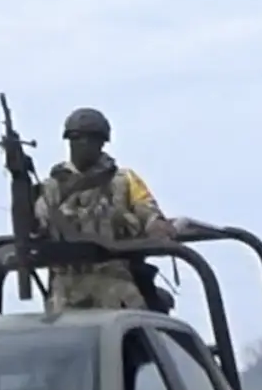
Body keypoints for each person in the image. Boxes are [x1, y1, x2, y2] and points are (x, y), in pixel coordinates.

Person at [33, 106, 177, 311]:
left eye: (91, 138)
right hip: (66, 292)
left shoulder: (124, 180)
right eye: (76, 137)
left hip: (116, 282)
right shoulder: (51, 188)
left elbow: (148, 212)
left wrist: (157, 227)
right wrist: (20, 185)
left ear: (102, 142)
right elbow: (36, 227)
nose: (83, 143)